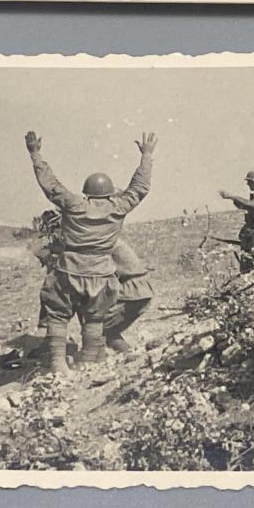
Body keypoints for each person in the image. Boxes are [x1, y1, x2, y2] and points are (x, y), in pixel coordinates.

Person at [25, 130, 157, 375]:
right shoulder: (118, 207)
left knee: (58, 315)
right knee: (95, 317)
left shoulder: (74, 204)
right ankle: (88, 361)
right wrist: (146, 155)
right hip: (101, 272)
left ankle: (58, 363)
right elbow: (140, 187)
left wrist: (35, 154)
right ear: (109, 192)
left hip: (69, 269)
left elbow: (50, 185)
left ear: (87, 191)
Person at [32, 209, 154, 355]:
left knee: (85, 303)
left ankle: (87, 351)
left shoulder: (83, 242)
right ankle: (127, 353)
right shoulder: (93, 235)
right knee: (104, 329)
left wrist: (47, 326)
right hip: (140, 291)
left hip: (131, 291)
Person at [219, 171, 254, 273]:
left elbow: (251, 205)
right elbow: (246, 206)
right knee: (248, 263)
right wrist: (234, 200)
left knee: (253, 264)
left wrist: (233, 197)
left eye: (250, 182)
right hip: (253, 234)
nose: (248, 184)